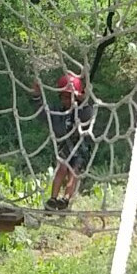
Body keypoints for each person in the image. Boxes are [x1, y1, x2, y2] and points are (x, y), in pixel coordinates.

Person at [32, 72, 94, 210]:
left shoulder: (81, 111)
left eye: (69, 97)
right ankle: (53, 199)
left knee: (74, 171)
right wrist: (37, 95)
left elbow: (88, 115)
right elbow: (43, 113)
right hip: (64, 146)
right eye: (64, 97)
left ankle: (66, 199)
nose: (66, 101)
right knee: (61, 168)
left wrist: (82, 99)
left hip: (80, 147)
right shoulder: (57, 112)